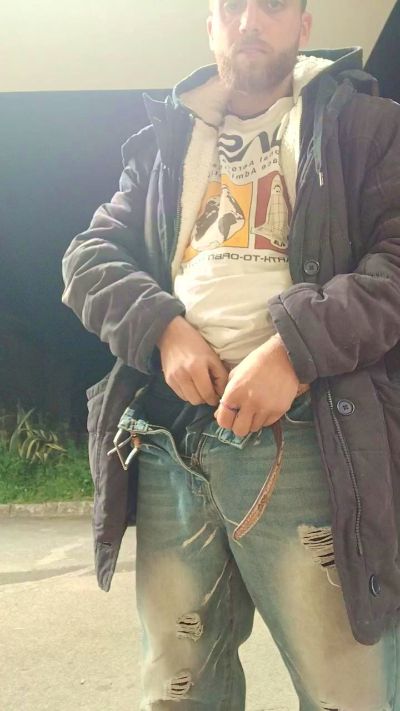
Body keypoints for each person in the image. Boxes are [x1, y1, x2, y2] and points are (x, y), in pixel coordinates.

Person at [62, 0, 400, 707]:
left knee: (349, 695)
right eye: (231, 6)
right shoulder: (162, 145)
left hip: (314, 434)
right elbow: (87, 258)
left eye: (272, 5)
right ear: (210, 26)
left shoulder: (367, 126)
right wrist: (163, 328)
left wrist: (295, 350)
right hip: (168, 439)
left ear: (303, 26)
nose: (250, 19)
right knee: (178, 692)